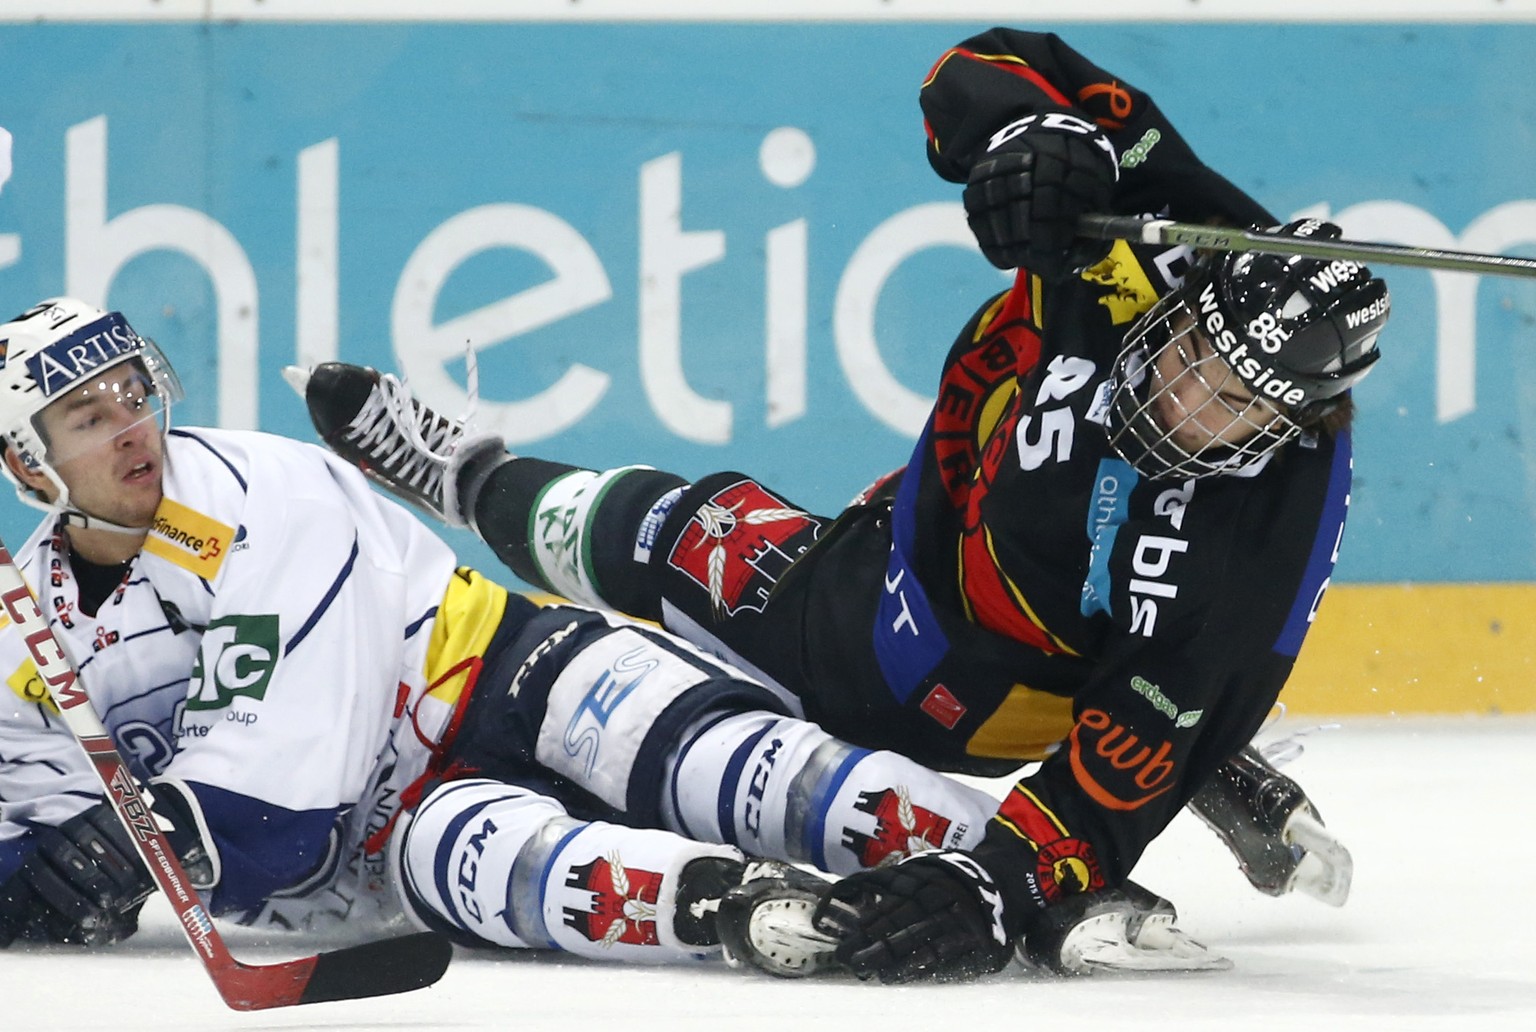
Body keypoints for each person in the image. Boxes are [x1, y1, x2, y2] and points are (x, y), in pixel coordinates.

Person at [292, 27, 1389, 983]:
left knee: (686, 586)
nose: (1185, 400)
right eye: (1192, 356)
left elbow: (1162, 716)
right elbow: (989, 66)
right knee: (675, 542)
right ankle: (472, 478)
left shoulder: (1264, 550)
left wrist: (999, 882)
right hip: (920, 522)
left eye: (1233, 405)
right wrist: (1025, 138)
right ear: (1192, 299)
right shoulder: (1169, 230)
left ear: (1290, 426)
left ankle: (1202, 756)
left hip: (955, 669)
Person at [0, 296, 1015, 974]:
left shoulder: (261, 493)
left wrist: (141, 842)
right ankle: (759, 913)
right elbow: (37, 849)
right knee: (518, 866)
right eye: (87, 418)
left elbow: (275, 812)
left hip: (500, 674)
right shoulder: (24, 642)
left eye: (132, 391)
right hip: (386, 849)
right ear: (27, 468)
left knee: (735, 770)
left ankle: (1023, 864)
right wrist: (44, 886)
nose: (132, 425)